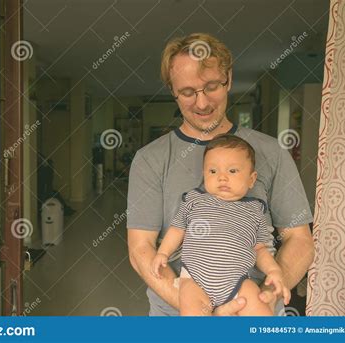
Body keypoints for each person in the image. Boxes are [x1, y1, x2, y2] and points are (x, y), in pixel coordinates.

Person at [127, 33, 314, 316]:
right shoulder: (150, 159)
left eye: (211, 86)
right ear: (172, 90)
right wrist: (202, 312)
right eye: (188, 92)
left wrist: (263, 299)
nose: (202, 104)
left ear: (228, 77)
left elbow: (299, 240)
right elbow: (140, 250)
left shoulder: (270, 152)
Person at [151, 134, 291, 316]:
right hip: (194, 279)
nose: (222, 178)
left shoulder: (255, 210)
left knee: (261, 312)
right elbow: (178, 229)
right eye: (213, 171)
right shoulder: (194, 201)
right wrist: (163, 252)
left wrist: (274, 271)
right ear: (204, 174)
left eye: (232, 171)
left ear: (251, 179)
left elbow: (260, 249)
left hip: (238, 283)